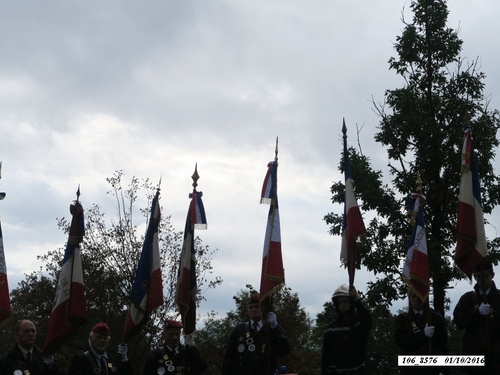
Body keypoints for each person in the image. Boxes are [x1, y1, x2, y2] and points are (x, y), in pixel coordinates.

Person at [221, 293, 291, 375]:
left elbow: (284, 350)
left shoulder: (270, 330)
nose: (254, 309)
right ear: (248, 310)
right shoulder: (240, 330)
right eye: (251, 307)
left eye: (257, 306)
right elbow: (229, 359)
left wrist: (275, 326)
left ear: (263, 309)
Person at [453, 258, 500, 373]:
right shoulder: (467, 299)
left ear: (492, 275)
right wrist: (477, 313)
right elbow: (459, 322)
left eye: (485, 276)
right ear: (474, 276)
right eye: (478, 276)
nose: (482, 280)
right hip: (473, 361)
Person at [394, 289, 448, 375]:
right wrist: (423, 335)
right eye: (413, 296)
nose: (416, 299)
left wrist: (443, 370)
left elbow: (442, 346)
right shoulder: (403, 319)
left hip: (431, 370)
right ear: (409, 298)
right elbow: (401, 342)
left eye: (419, 296)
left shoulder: (435, 318)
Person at [321, 284, 372, 375]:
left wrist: (357, 299)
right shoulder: (331, 329)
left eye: (345, 302)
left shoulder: (358, 324)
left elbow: (367, 320)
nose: (343, 305)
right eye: (340, 303)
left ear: (351, 303)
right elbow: (325, 357)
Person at [141, 319, 207, 375]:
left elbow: (200, 370)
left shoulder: (188, 353)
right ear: (163, 335)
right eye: (171, 334)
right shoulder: (155, 355)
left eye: (177, 334)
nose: (174, 338)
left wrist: (195, 355)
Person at [68, 322, 133, 375]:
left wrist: (124, 360)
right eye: (98, 337)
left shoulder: (112, 361)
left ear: (108, 341)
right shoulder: (80, 360)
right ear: (91, 339)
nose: (102, 341)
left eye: (105, 338)